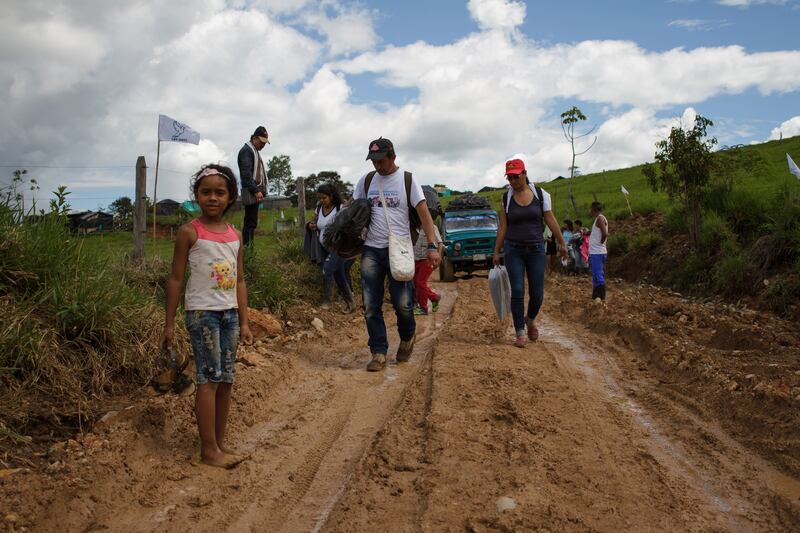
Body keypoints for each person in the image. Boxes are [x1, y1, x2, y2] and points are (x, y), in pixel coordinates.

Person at [162, 164, 253, 469]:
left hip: (229, 314)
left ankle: (219, 443)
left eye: (220, 192)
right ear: (197, 196)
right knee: (209, 377)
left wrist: (245, 321)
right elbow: (175, 279)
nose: (212, 198)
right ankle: (209, 450)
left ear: (230, 197)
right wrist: (169, 323)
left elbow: (239, 280)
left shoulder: (235, 235)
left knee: (226, 379)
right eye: (206, 192)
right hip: (202, 314)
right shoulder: (190, 232)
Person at [353, 137, 441, 372]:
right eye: (373, 161)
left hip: (400, 248)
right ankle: (379, 352)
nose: (377, 165)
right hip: (372, 248)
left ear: (393, 157)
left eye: (380, 160)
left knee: (402, 304)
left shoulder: (408, 181)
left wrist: (432, 246)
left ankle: (407, 335)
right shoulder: (367, 181)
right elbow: (353, 210)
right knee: (371, 305)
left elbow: (425, 216)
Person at [493, 159, 567, 348]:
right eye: (509, 177)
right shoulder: (505, 198)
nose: (513, 181)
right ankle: (519, 331)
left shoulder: (541, 195)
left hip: (536, 249)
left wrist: (562, 242)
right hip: (513, 250)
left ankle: (530, 319)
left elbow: (550, 219)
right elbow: (503, 227)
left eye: (516, 176)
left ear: (525, 173)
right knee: (517, 290)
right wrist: (496, 251)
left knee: (538, 294)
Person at [307, 183, 356, 313]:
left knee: (327, 269)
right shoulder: (319, 209)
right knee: (339, 274)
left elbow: (349, 225)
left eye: (324, 198)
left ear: (332, 196)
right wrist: (313, 225)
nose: (322, 201)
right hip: (325, 247)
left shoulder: (340, 208)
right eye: (320, 198)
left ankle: (327, 301)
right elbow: (316, 223)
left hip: (339, 247)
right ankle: (350, 302)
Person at [237, 126, 269, 246]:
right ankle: (247, 250)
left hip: (253, 190)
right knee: (250, 223)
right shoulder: (247, 151)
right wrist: (256, 190)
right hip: (251, 191)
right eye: (261, 142)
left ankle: (249, 249)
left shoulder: (254, 151)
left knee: (251, 222)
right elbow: (246, 174)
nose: (263, 145)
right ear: (254, 138)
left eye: (265, 143)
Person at [413, 225, 444, 315]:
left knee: (420, 282)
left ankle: (423, 308)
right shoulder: (412, 225)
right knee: (416, 283)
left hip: (427, 259)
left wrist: (438, 258)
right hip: (414, 259)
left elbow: (440, 243)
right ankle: (434, 297)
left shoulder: (432, 227)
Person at [589, 201, 609, 300]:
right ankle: (596, 296)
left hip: (597, 252)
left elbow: (604, 233)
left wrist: (600, 243)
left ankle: (600, 296)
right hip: (597, 251)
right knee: (596, 275)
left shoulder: (599, 218)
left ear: (594, 209)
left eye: (591, 209)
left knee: (598, 274)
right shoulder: (600, 218)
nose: (590, 211)